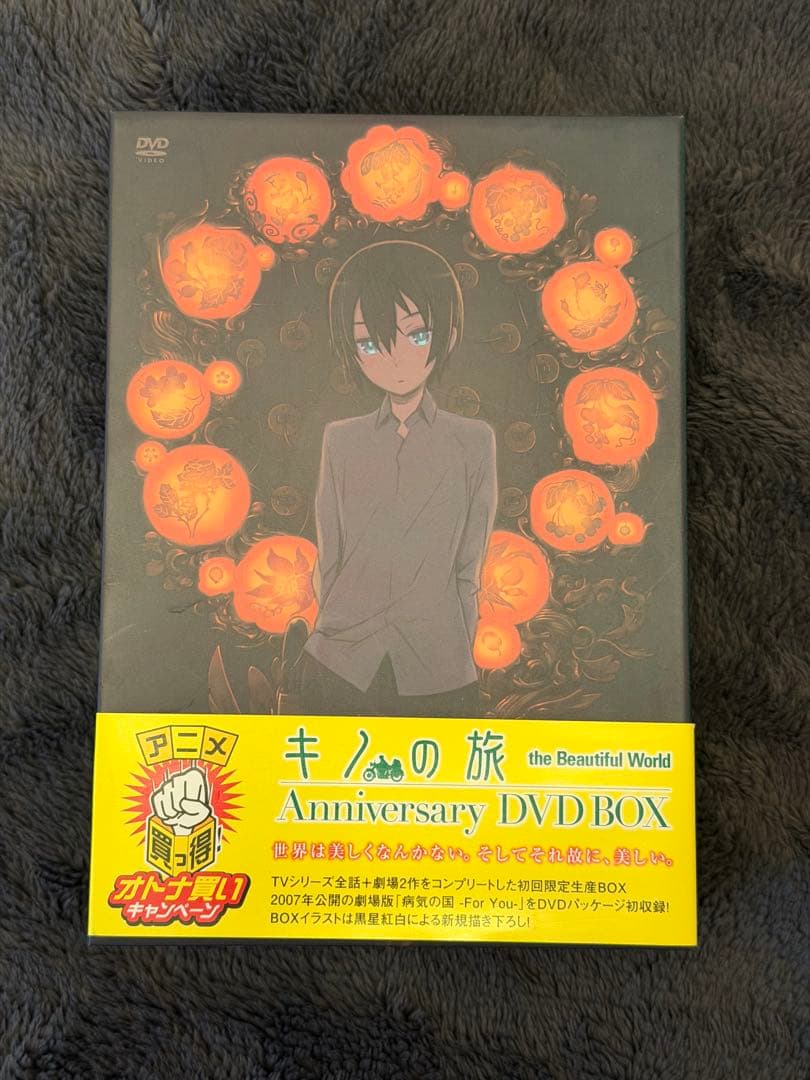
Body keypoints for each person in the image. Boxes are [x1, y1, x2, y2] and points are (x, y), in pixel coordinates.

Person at [294, 240, 497, 717]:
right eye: (369, 343)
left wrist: (456, 645)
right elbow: (330, 555)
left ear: (447, 335)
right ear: (351, 349)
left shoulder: (472, 441)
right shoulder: (341, 440)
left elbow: (469, 565)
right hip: (340, 657)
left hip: (438, 663)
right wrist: (332, 625)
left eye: (417, 335)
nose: (396, 358)